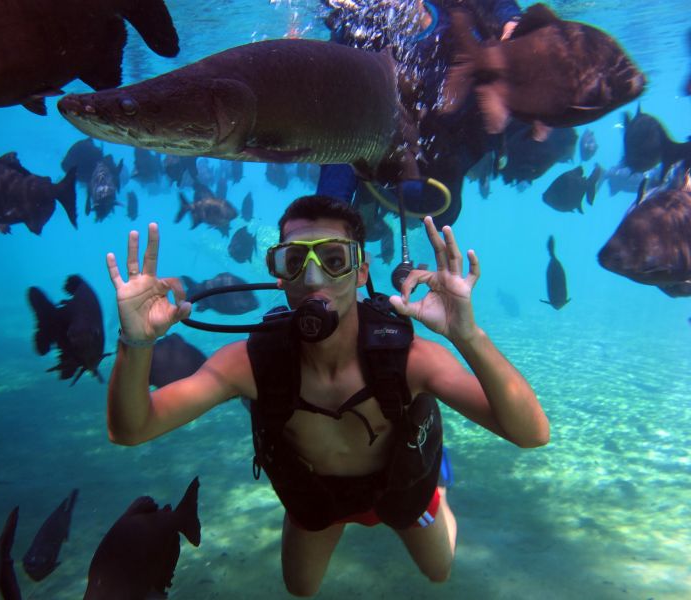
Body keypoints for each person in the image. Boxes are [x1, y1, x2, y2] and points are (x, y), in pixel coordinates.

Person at [106, 194, 549, 596]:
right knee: (300, 588)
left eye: (335, 258)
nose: (314, 277)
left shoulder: (412, 358)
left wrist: (467, 335)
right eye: (295, 259)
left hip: (401, 487)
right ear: (277, 274)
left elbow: (531, 433)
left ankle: (440, 488)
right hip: (317, 495)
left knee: (439, 570)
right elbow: (132, 429)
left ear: (361, 272)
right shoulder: (248, 364)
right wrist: (137, 341)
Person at [317, 0, 523, 229]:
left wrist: (512, 22)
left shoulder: (456, 23)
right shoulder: (355, 34)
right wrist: (329, 215)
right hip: (381, 149)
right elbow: (339, 130)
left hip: (449, 147)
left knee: (442, 214)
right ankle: (368, 198)